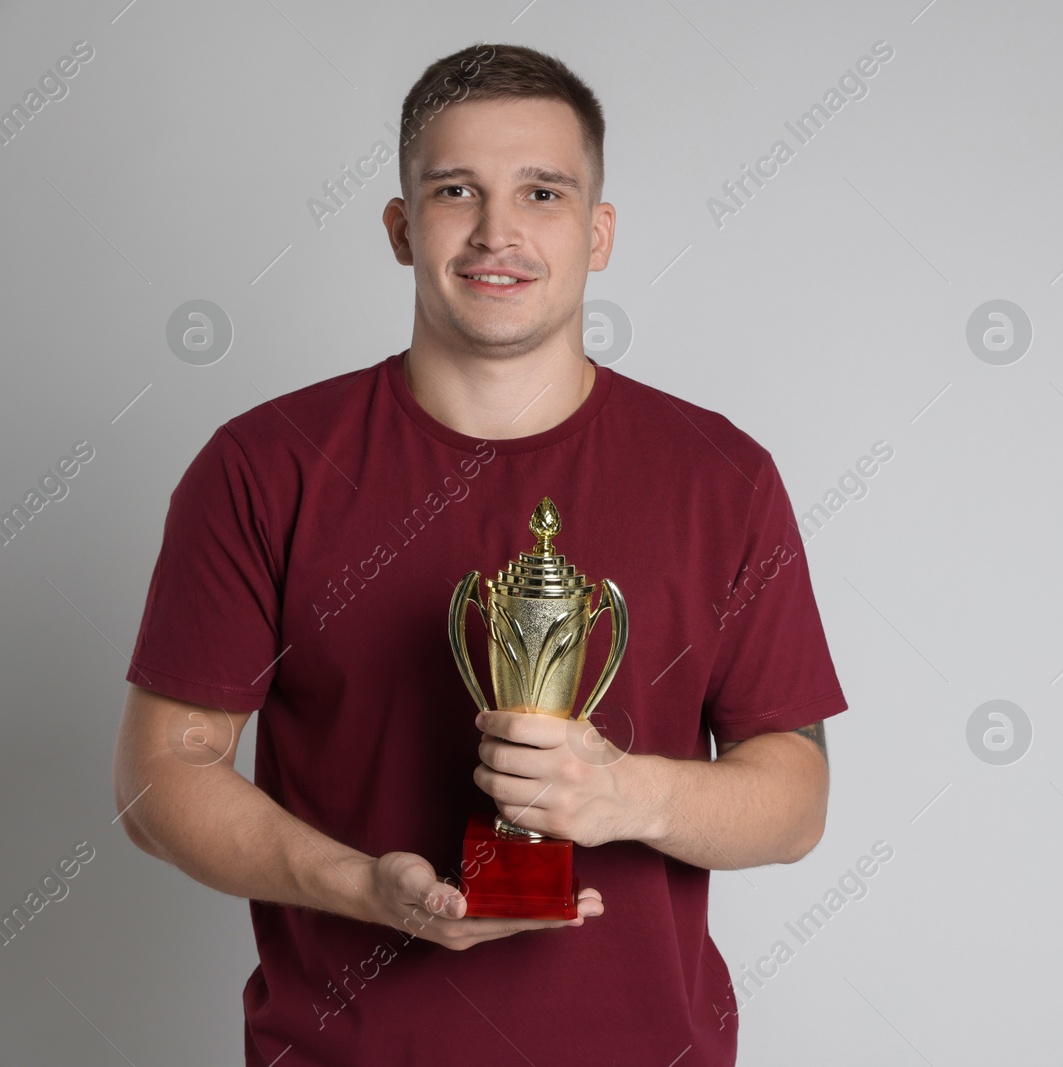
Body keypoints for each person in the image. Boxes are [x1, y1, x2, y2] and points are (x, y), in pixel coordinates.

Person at [113, 42, 846, 1067]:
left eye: (542, 192)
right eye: (457, 189)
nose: (498, 231)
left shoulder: (720, 474)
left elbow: (796, 797)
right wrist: (362, 884)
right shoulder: (265, 464)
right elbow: (159, 780)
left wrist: (625, 792)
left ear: (598, 233)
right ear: (401, 226)